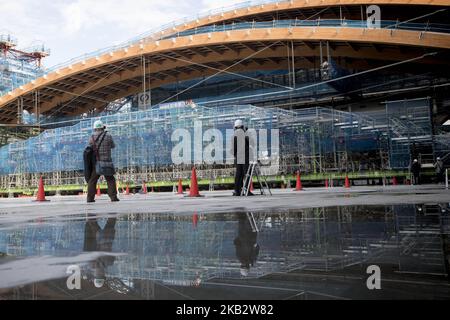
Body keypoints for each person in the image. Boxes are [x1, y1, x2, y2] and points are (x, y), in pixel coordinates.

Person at [87, 120, 119, 203]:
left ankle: (90, 198)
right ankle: (113, 197)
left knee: (92, 180)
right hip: (107, 162)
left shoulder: (92, 137)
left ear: (95, 128)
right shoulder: (108, 136)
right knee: (110, 179)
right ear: (102, 127)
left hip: (97, 163)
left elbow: (89, 149)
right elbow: (113, 146)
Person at [84, 217, 117, 288]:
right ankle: (90, 207)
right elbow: (87, 245)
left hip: (107, 236)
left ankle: (112, 207)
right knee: (92, 220)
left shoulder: (109, 262)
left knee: (111, 220)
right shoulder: (90, 263)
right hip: (99, 236)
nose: (100, 273)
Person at [230, 120, 253, 196]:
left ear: (235, 127)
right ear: (242, 126)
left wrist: (235, 155)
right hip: (245, 156)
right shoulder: (245, 134)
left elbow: (232, 149)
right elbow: (252, 143)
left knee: (238, 174)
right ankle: (246, 191)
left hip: (238, 157)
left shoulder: (234, 136)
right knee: (246, 173)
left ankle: (237, 191)